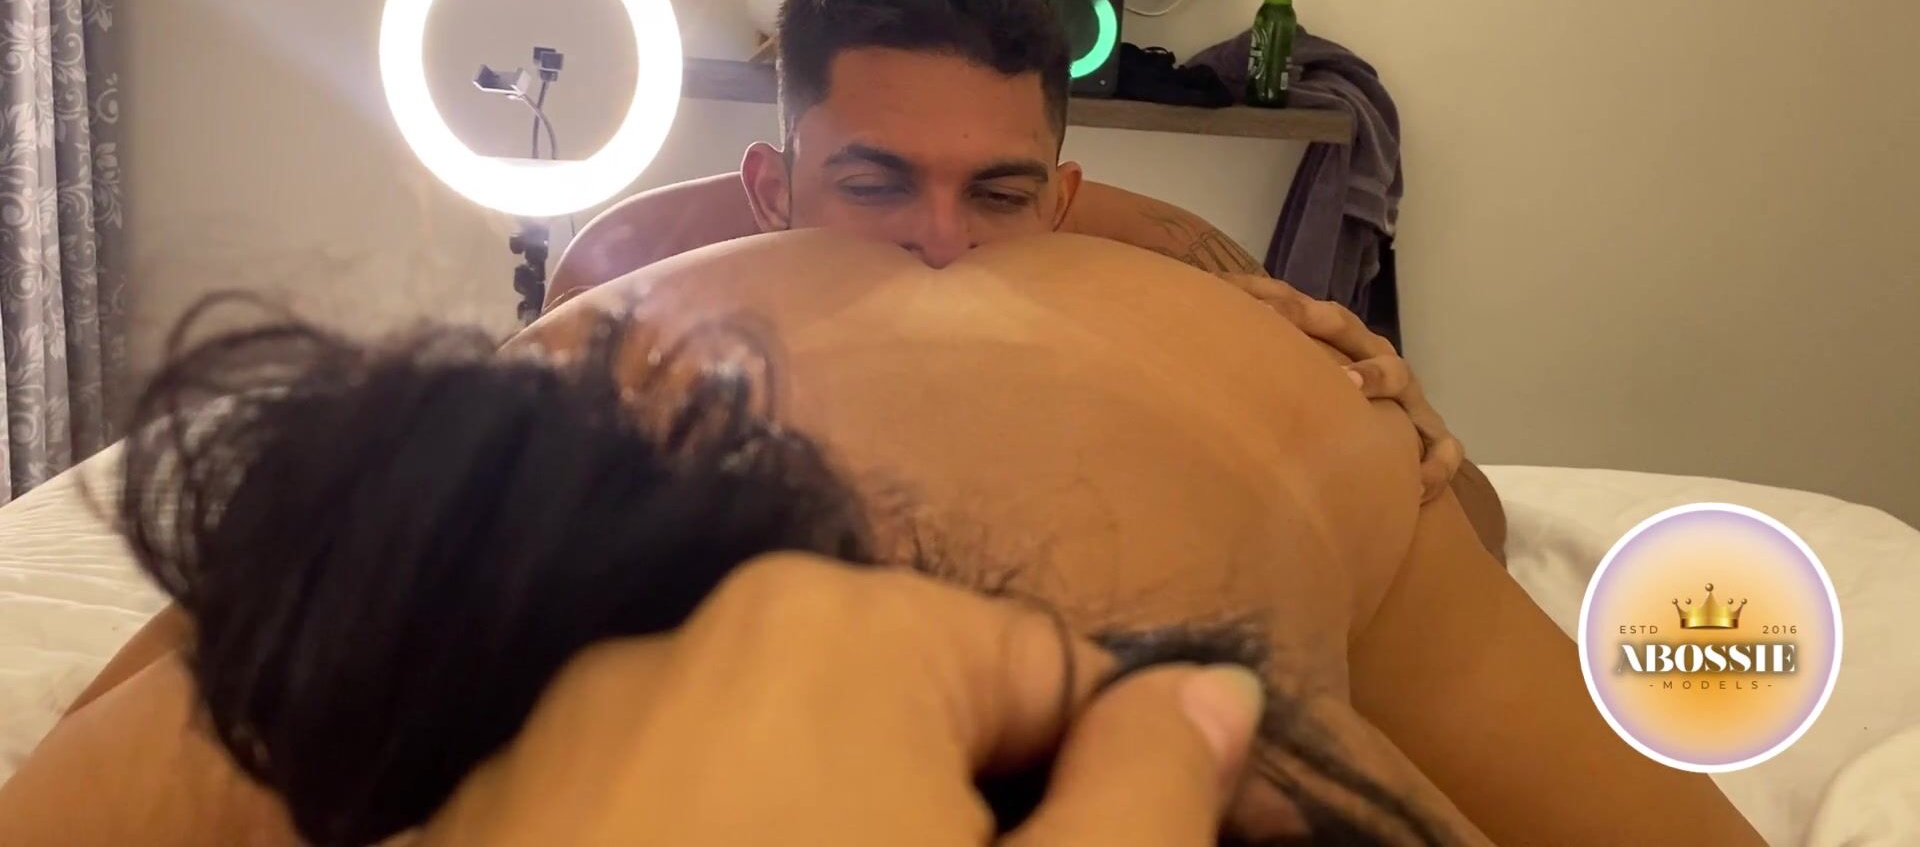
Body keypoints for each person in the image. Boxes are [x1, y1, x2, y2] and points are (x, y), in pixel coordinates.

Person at [0, 232, 1763, 845]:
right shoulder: (1279, 368)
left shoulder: (588, 340)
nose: (935, 241)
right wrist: (1433, 462)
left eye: (994, 190)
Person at [549, 0, 1503, 552]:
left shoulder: (1171, 317)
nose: (941, 241)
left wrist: (1412, 440)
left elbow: (1479, 543)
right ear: (772, 192)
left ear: (1058, 201)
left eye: (1000, 195)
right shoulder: (645, 337)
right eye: (875, 186)